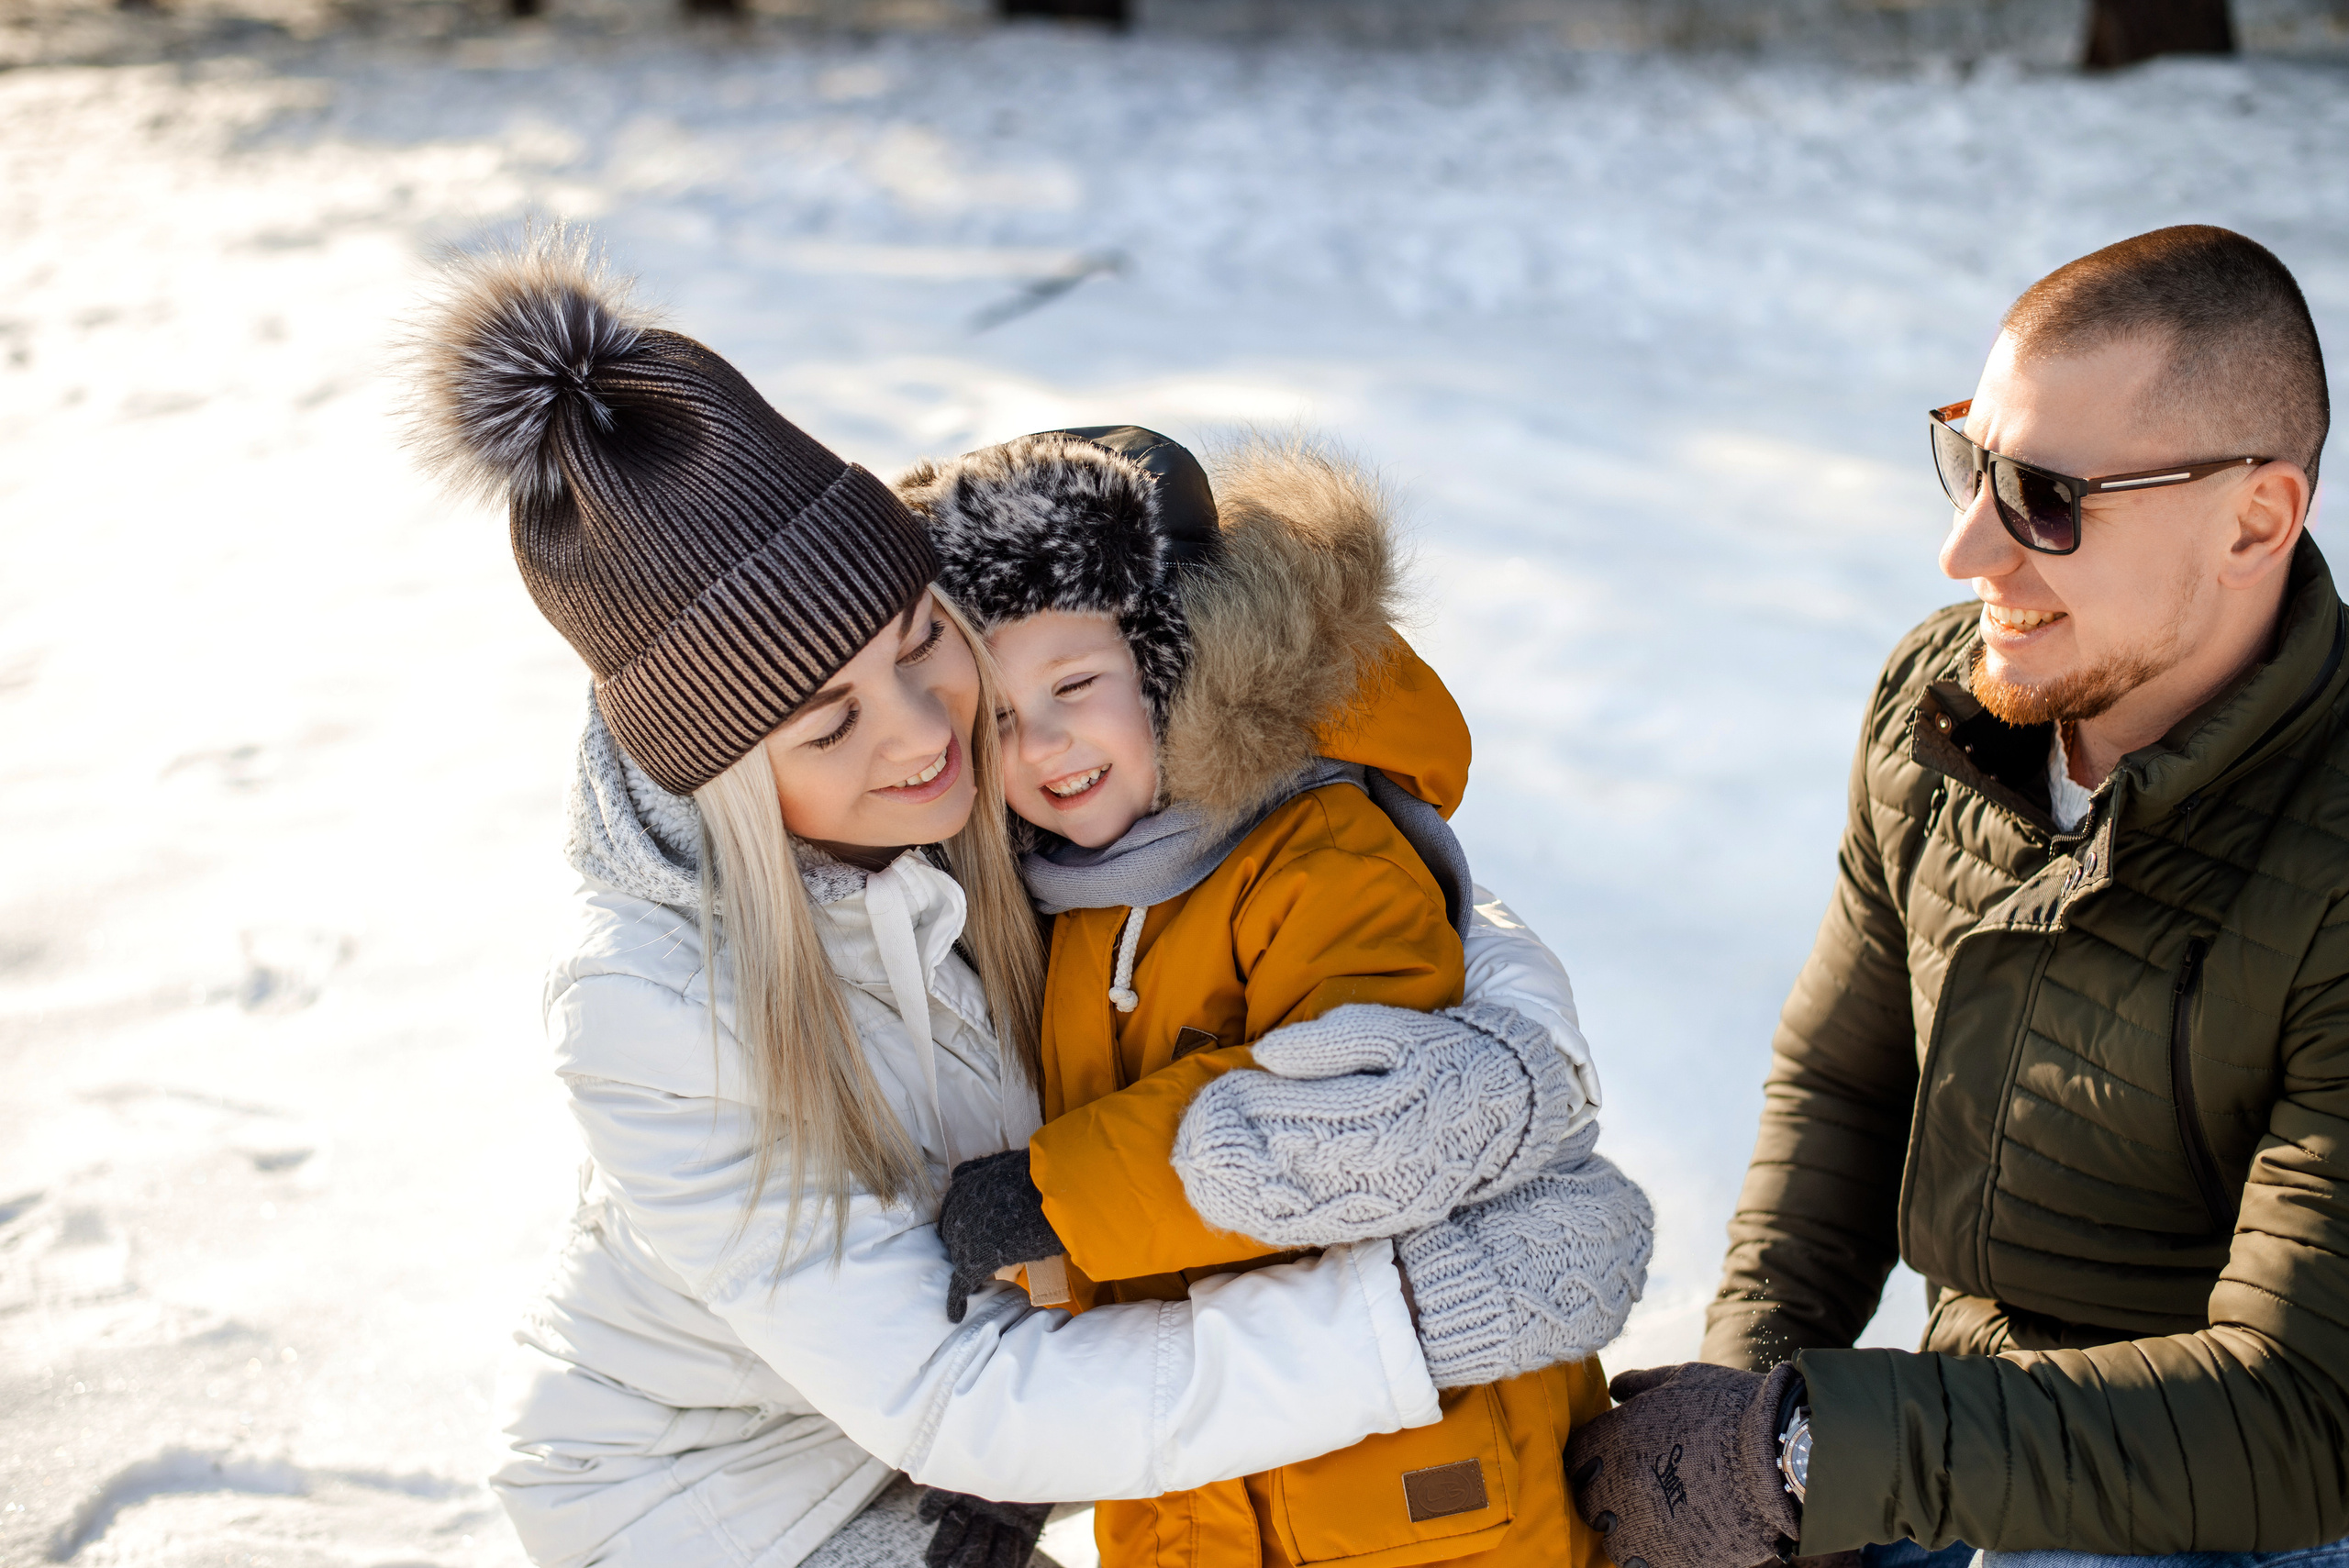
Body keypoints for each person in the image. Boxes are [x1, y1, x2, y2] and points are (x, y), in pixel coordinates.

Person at [408, 232, 1627, 1568]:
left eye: (924, 639)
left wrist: (1516, 1073)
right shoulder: (650, 1011)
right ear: (733, 783)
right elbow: (956, 1395)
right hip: (715, 1503)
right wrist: (1423, 1317)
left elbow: (1364, 864)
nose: (926, 728)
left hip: (969, 1446)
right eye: (829, 723)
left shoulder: (993, 776)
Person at [1564, 224, 2344, 1568]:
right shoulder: (1947, 708)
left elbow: (2303, 1421)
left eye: (2046, 495)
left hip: (2247, 1504)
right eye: (1970, 460)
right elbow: (1844, 1087)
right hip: (1973, 1438)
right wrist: (1741, 1445)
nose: (1966, 548)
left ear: (2255, 519)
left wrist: (1809, 1452)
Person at [896, 426, 1650, 1568]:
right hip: (1203, 1498)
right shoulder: (1078, 896)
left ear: (1177, 661)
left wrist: (1060, 1192)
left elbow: (1350, 1110)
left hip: (1421, 1500)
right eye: (998, 718)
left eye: (1076, 685)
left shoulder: (1320, 849)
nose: (1043, 743)